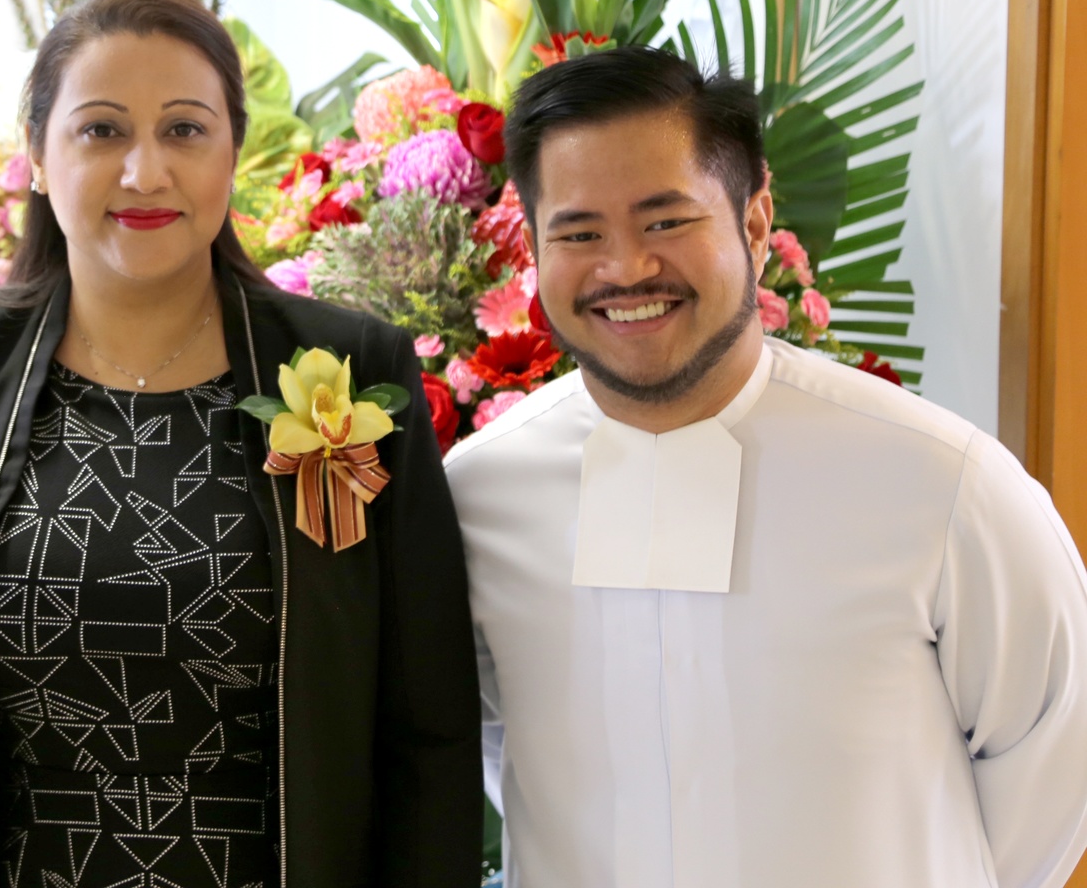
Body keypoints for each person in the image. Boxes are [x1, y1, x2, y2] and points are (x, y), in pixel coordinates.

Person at [0, 0, 485, 888]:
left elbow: (426, 728)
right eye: (101, 130)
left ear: (234, 151)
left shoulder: (348, 370)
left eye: (185, 130)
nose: (145, 172)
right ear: (37, 156)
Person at [445, 46, 1087, 887]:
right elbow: (505, 755)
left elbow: (1057, 765)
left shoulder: (941, 483)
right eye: (579, 233)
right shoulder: (478, 493)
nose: (626, 268)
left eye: (665, 222)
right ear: (534, 246)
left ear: (753, 223)